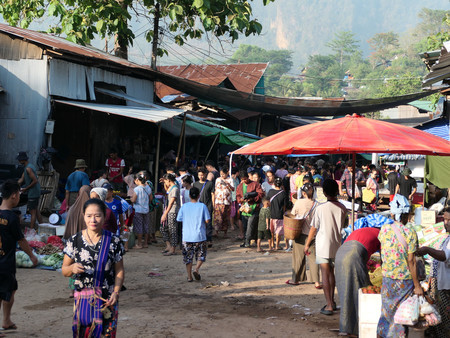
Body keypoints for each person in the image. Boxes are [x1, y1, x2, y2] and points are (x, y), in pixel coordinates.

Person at [62, 198, 124, 337]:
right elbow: (64, 270)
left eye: (97, 215)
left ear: (104, 216)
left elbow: (119, 269)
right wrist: (72, 268)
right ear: (84, 216)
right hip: (84, 299)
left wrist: (116, 292)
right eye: (89, 216)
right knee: (84, 333)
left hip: (107, 300)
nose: (93, 220)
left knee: (107, 334)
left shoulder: (114, 241)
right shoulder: (74, 241)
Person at [377, 212, 423, 337]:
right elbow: (411, 260)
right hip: (404, 282)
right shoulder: (410, 232)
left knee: (386, 312)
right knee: (401, 315)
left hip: (388, 278)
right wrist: (417, 285)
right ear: (406, 216)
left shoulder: (384, 229)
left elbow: (382, 252)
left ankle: (381, 335)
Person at [0, 180, 38, 332]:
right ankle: (5, 320)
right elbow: (21, 240)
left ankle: (7, 320)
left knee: (10, 289)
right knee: (5, 291)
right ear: (14, 195)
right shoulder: (12, 218)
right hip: (5, 263)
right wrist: (32, 256)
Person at [305, 179, 347, 316]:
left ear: (323, 192)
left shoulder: (320, 208)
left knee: (325, 274)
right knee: (331, 273)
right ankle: (332, 301)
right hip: (336, 244)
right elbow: (344, 225)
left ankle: (329, 304)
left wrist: (307, 243)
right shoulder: (342, 208)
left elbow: (313, 228)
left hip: (323, 244)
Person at [335, 227, 381, 337]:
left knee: (345, 291)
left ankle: (346, 327)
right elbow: (386, 258)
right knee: (359, 291)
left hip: (340, 253)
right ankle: (355, 329)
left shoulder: (365, 231)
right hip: (353, 254)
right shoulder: (382, 234)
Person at [415, 207, 450, 337]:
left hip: (447, 287)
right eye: (445, 219)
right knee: (440, 318)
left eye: (449, 219)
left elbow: (444, 256)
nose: (445, 222)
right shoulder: (447, 238)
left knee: (445, 322)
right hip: (442, 284)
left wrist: (428, 250)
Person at [287, 183, 321, 288]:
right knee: (313, 257)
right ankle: (316, 281)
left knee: (298, 257)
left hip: (299, 233)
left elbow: (292, 215)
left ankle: (296, 279)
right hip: (312, 234)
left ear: (303, 193)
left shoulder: (299, 202)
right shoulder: (317, 204)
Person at [176, 187, 211, 282]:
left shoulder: (184, 206)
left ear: (189, 195)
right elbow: (207, 220)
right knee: (201, 255)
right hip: (200, 235)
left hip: (187, 236)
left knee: (188, 257)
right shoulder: (203, 206)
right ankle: (196, 269)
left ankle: (189, 276)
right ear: (199, 195)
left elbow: (179, 219)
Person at [236, 170, 264, 248]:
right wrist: (241, 199)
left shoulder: (255, 184)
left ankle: (247, 241)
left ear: (248, 177)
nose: (244, 181)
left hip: (254, 208)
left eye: (245, 179)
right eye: (242, 179)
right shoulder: (240, 186)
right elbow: (237, 195)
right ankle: (246, 240)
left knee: (250, 225)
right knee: (245, 225)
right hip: (244, 208)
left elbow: (260, 194)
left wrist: (251, 199)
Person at [16, 152, 42, 230]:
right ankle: (43, 225)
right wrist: (14, 185)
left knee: (32, 212)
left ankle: (31, 230)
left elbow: (35, 181)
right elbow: (21, 179)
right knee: (36, 210)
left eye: (19, 160)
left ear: (22, 160)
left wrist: (25, 189)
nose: (18, 161)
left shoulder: (28, 168)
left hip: (33, 192)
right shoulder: (27, 167)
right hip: (34, 191)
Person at [193, 168, 215, 244]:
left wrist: (213, 204)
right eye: (199, 175)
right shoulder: (195, 184)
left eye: (202, 175)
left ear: (205, 174)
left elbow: (212, 195)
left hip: (208, 205)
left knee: (208, 223)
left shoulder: (210, 184)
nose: (201, 176)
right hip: (198, 206)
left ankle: (209, 239)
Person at [160, 173, 180, 256]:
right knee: (163, 228)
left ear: (168, 180)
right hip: (169, 210)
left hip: (172, 211)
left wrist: (165, 214)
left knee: (173, 230)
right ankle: (169, 245)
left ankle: (173, 248)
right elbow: (167, 191)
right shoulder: (171, 188)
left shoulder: (175, 189)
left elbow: (171, 202)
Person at [130, 173, 151, 249]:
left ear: (137, 180)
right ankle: (145, 243)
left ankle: (139, 244)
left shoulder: (137, 189)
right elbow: (151, 198)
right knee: (145, 226)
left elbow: (134, 199)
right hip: (146, 210)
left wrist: (131, 199)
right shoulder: (148, 187)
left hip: (138, 210)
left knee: (139, 227)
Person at [267, 178, 287, 251]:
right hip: (279, 215)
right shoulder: (283, 193)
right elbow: (284, 206)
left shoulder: (270, 192)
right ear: (281, 184)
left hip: (271, 214)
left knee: (271, 230)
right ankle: (277, 245)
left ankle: (272, 244)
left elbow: (267, 202)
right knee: (278, 231)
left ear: (274, 184)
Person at [213, 166, 234, 238]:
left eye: (223, 174)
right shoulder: (218, 179)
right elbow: (215, 189)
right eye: (221, 174)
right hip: (218, 201)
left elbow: (233, 189)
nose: (222, 176)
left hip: (226, 201)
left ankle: (225, 232)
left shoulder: (230, 180)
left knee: (225, 217)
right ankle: (216, 231)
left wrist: (227, 184)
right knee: (217, 217)